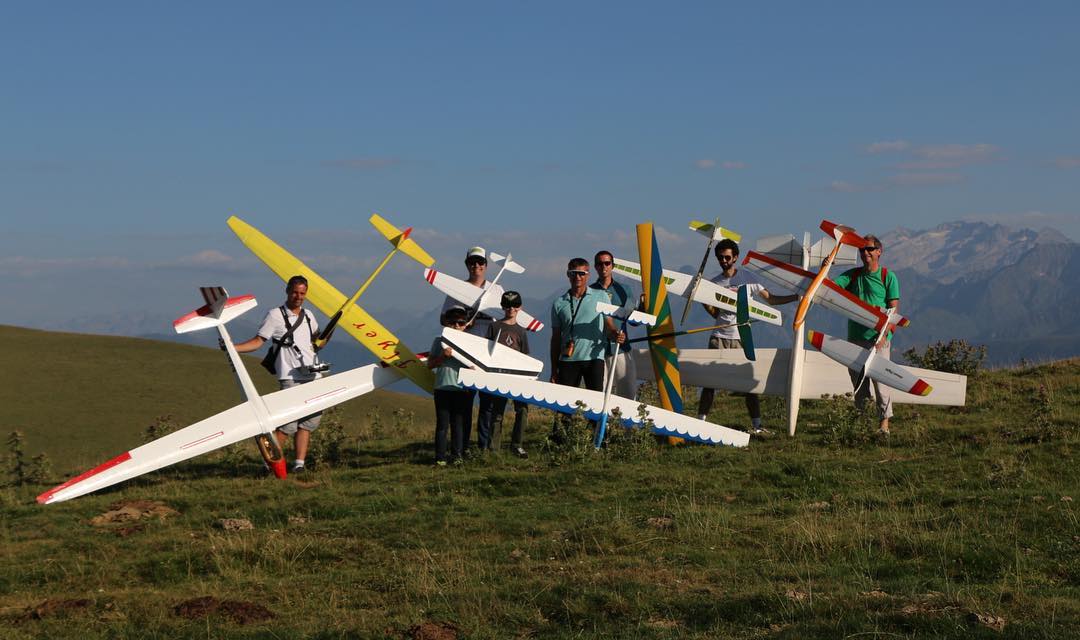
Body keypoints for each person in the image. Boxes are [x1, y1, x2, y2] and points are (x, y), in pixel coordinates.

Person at [696, 239, 797, 433]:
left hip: (742, 337)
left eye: (727, 257)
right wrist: (702, 299)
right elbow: (716, 314)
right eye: (720, 258)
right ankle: (701, 423)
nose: (723, 261)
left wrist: (796, 297)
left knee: (748, 383)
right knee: (709, 382)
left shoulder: (749, 278)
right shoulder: (715, 283)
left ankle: (757, 426)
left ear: (735, 257)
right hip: (719, 336)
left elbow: (772, 299)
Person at [231, 275, 325, 472]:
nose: (298, 297)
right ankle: (267, 464)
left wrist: (324, 338)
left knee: (308, 423)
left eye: (302, 293)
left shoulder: (309, 315)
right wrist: (233, 348)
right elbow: (258, 341)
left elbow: (317, 341)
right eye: (295, 292)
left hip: (313, 375)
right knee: (288, 425)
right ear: (287, 291)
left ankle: (299, 465)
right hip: (290, 376)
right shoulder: (274, 315)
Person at [831, 234, 900, 435]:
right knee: (859, 382)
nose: (865, 253)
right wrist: (826, 265)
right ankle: (863, 422)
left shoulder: (888, 276)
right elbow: (832, 287)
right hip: (855, 336)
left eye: (869, 249)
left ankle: (884, 425)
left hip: (878, 338)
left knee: (881, 383)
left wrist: (884, 336)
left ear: (879, 251)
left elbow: (893, 308)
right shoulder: (852, 275)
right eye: (862, 249)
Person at [442, 246, 504, 453]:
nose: (476, 266)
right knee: (464, 404)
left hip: (488, 353)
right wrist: (460, 322)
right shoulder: (456, 288)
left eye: (480, 262)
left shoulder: (496, 289)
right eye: (472, 262)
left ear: (486, 266)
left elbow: (506, 318)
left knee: (488, 403)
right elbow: (443, 318)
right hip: (464, 352)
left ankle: (485, 446)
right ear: (466, 264)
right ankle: (463, 446)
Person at [478, 291, 531, 458]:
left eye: (515, 305)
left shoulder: (522, 331)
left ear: (520, 307)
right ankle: (494, 448)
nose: (511, 309)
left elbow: (525, 356)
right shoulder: (494, 327)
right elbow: (486, 351)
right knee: (497, 412)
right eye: (507, 305)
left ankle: (517, 445)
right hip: (498, 376)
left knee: (522, 410)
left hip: (518, 377)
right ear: (502, 306)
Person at [589, 250, 638, 400]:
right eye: (600, 263)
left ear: (612, 266)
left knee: (628, 394)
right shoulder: (589, 291)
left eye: (607, 263)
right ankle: (601, 425)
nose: (603, 267)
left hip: (621, 348)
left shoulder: (625, 290)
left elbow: (633, 321)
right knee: (600, 397)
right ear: (595, 267)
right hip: (596, 351)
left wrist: (643, 309)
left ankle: (625, 424)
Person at [428, 307, 472, 465]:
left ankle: (457, 456)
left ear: (466, 324)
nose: (456, 326)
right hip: (442, 387)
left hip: (462, 389)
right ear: (446, 323)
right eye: (453, 322)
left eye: (460, 323)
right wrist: (442, 356)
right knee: (442, 425)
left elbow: (476, 366)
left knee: (458, 425)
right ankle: (440, 458)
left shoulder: (471, 343)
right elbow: (430, 364)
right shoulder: (438, 340)